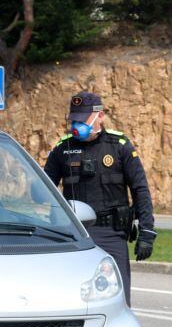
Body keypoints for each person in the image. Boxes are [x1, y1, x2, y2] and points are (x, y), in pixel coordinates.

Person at [43, 92, 156, 305]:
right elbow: (42, 188)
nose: (76, 124)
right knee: (74, 300)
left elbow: (140, 190)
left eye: (82, 119)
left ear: (99, 116)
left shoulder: (119, 146)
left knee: (118, 301)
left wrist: (147, 232)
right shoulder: (62, 148)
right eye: (74, 119)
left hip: (112, 234)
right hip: (75, 234)